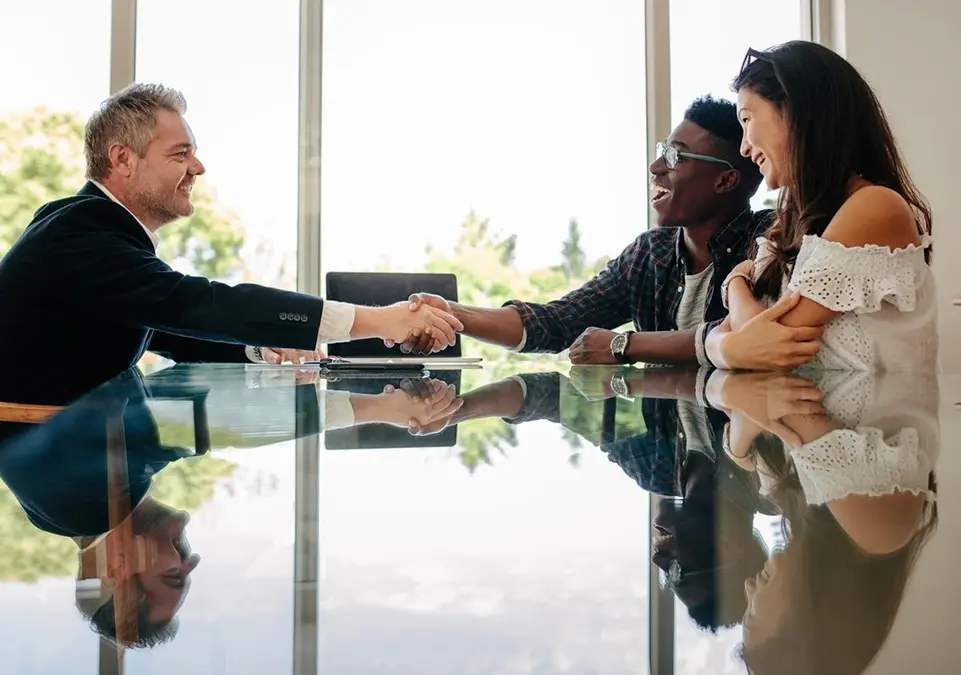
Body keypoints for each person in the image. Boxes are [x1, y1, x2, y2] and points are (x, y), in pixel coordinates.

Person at [0, 83, 463, 405]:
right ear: (122, 159)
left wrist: (262, 348)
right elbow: (197, 304)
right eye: (180, 153)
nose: (198, 168)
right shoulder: (81, 234)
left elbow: (164, 327)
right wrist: (381, 319)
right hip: (55, 463)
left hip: (80, 449)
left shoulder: (85, 227)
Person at [391, 96, 823, 369]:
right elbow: (558, 322)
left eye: (676, 156)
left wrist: (623, 344)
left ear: (726, 181)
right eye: (661, 152)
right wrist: (453, 313)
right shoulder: (649, 254)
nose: (657, 167)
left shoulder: (773, 241)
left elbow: (738, 339)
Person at [707, 41, 938, 372]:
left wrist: (735, 286)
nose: (744, 147)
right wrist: (724, 346)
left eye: (747, 119)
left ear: (798, 111)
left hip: (861, 423)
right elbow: (738, 342)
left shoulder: (875, 206)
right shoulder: (792, 223)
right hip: (798, 416)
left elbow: (769, 347)